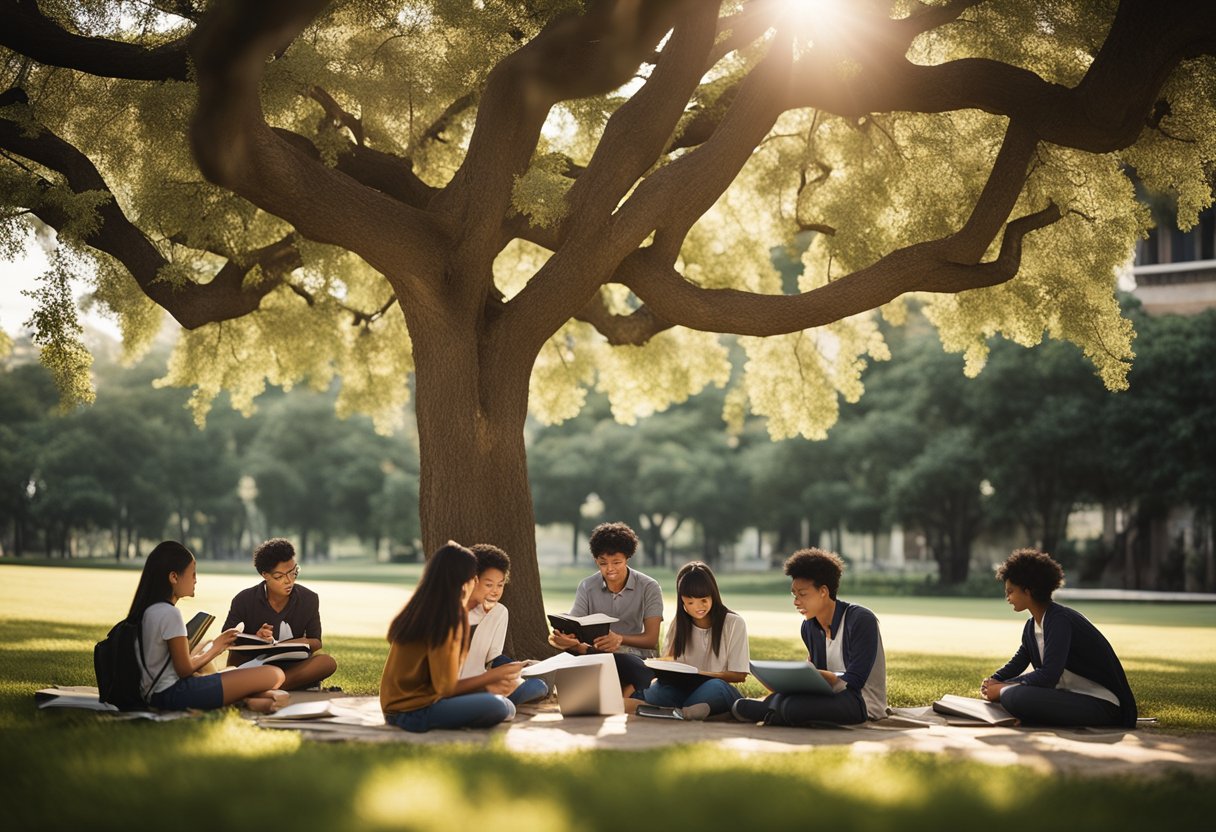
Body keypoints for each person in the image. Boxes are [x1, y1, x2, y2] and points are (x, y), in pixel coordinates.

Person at [980, 547, 1137, 728]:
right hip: (1068, 696)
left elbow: (1049, 675)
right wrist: (993, 680)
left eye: (1010, 591)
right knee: (1010, 694)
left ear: (1027, 591)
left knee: (1012, 696)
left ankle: (1025, 710)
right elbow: (1018, 662)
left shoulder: (1059, 620)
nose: (1007, 597)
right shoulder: (1032, 627)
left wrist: (1002, 687)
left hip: (1101, 704)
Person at [732, 548, 887, 726]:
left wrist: (811, 674)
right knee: (785, 699)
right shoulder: (809, 627)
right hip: (828, 696)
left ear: (823, 591)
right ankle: (774, 710)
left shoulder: (860, 620)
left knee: (791, 706)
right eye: (794, 594)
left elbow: (855, 681)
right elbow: (818, 681)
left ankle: (771, 711)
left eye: (803, 594)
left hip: (861, 702)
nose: (796, 602)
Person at [130, 540, 288, 712]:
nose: (196, 580)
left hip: (157, 692)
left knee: (223, 663)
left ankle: (246, 700)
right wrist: (217, 647)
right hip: (172, 694)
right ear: (174, 577)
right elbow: (184, 670)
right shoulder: (169, 613)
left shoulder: (151, 609)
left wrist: (210, 646)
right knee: (274, 674)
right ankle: (245, 700)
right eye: (193, 574)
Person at [381, 541, 519, 733]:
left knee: (506, 705)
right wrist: (491, 678)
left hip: (398, 708)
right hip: (414, 712)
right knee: (501, 707)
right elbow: (446, 688)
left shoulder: (421, 609)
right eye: (474, 578)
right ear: (464, 582)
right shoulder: (447, 618)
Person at [549, 521, 663, 698]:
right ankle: (627, 691)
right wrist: (566, 637)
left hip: (634, 659)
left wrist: (619, 639)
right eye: (603, 563)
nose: (610, 569)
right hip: (595, 653)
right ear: (596, 561)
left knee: (635, 666)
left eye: (616, 562)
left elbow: (651, 639)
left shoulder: (649, 587)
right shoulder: (587, 586)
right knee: (583, 656)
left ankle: (626, 689)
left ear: (627, 558)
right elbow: (575, 623)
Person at [222, 538, 338, 691]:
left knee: (327, 662)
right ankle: (269, 685)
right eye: (280, 576)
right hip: (254, 666)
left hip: (292, 667)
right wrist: (257, 638)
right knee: (235, 662)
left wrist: (295, 643)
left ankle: (261, 688)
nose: (289, 581)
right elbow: (226, 640)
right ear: (265, 575)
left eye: (293, 572)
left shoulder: (309, 598)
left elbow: (316, 642)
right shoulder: (244, 599)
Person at [640, 561, 748, 720]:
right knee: (656, 691)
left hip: (715, 688)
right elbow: (669, 660)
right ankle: (696, 711)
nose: (698, 607)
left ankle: (682, 710)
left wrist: (701, 674)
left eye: (704, 600)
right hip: (684, 690)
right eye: (690, 602)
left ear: (713, 595)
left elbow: (739, 675)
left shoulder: (734, 623)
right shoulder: (679, 624)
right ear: (682, 602)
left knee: (715, 688)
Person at [460, 543, 548, 706]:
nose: (495, 591)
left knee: (539, 686)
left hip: (482, 683)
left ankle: (498, 700)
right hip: (456, 686)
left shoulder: (500, 612)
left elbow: (493, 659)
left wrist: (522, 667)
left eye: (500, 585)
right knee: (501, 708)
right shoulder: (452, 612)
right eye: (489, 585)